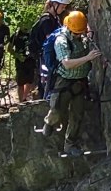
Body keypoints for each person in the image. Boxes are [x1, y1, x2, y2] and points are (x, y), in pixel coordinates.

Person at [38, 10, 104, 155]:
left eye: (80, 33)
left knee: (77, 114)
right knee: (56, 110)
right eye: (76, 33)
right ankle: (49, 123)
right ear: (69, 28)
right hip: (64, 81)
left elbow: (84, 33)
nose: (79, 35)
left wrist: (88, 36)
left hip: (79, 81)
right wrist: (87, 58)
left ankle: (70, 144)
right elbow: (66, 64)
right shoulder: (61, 41)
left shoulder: (81, 35)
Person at [28, 0, 72, 99]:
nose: (64, 9)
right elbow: (51, 39)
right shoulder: (46, 20)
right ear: (55, 4)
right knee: (47, 80)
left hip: (49, 55)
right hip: (44, 56)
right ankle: (45, 101)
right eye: (62, 6)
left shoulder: (54, 18)